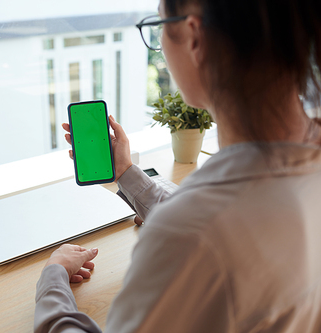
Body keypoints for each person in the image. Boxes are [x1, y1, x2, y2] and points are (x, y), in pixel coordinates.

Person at [34, 0, 321, 331]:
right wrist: (126, 173)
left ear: (193, 36)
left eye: (159, 27)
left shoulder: (189, 237)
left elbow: (197, 230)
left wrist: (52, 280)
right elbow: (211, 215)